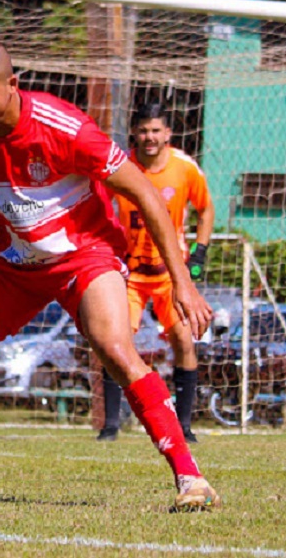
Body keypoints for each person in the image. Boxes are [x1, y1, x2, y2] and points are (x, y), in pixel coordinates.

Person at [0, 37, 221, 510]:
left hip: (85, 256)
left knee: (113, 347)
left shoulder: (66, 129)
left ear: (13, 84)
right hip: (16, 263)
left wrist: (184, 283)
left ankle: (191, 479)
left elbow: (146, 196)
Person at [98, 103, 215, 444]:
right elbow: (100, 202)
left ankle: (185, 426)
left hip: (170, 274)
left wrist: (200, 253)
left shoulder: (183, 168)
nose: (150, 137)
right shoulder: (121, 166)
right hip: (128, 273)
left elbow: (205, 209)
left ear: (168, 134)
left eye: (156, 131)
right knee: (114, 341)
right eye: (143, 130)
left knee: (183, 340)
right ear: (134, 132)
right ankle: (110, 426)